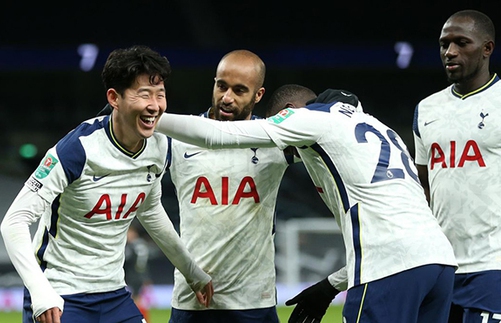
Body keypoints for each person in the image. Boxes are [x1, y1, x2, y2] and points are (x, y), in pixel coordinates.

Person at [155, 84, 458, 323]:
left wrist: (148, 115)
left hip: (390, 269)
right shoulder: (378, 127)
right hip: (440, 263)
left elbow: (219, 134)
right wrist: (330, 286)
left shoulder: (306, 118)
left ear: (288, 112)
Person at [0, 45, 213, 323]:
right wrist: (40, 290)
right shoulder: (76, 149)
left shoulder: (160, 146)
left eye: (160, 95)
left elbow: (150, 211)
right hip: (60, 295)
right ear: (114, 97)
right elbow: (14, 221)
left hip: (114, 294)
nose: (155, 105)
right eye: (143, 94)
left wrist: (192, 271)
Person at [98, 49, 299, 323]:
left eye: (239, 90)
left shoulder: (275, 141)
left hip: (254, 300)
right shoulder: (179, 138)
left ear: (258, 95)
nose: (227, 98)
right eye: (221, 86)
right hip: (192, 300)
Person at [413, 9, 501, 323]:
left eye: (461, 43)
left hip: (493, 265)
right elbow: (422, 186)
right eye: (444, 44)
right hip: (440, 266)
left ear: (487, 48)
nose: (450, 52)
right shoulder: (426, 109)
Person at [125, 224, 153, 322]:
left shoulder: (132, 246)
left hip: (134, 276)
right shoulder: (141, 244)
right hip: (139, 275)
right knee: (137, 300)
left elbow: (131, 260)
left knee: (135, 301)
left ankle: (141, 320)